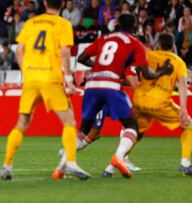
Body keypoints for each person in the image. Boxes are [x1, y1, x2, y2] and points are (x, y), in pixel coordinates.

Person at [54, 14, 173, 179]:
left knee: (83, 131)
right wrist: (162, 71)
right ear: (134, 26)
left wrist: (100, 67)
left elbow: (82, 58)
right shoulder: (134, 43)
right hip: (110, 86)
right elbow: (147, 73)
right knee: (132, 125)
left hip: (91, 84)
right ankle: (119, 158)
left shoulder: (105, 38)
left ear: (117, 24)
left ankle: (61, 166)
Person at [0, 0, 90, 181]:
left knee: (22, 123)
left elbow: (19, 51)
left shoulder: (31, 22)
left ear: (44, 2)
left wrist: (27, 72)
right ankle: (70, 162)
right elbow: (65, 52)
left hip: (31, 79)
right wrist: (69, 79)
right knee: (69, 121)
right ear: (63, 4)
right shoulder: (63, 24)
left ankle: (7, 165)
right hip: (51, 78)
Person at [132, 33, 192, 177]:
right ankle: (185, 164)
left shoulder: (148, 55)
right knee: (188, 123)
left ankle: (113, 163)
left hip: (140, 99)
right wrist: (183, 109)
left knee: (136, 131)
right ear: (173, 46)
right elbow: (183, 85)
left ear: (158, 44)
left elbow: (132, 67)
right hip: (159, 101)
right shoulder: (178, 62)